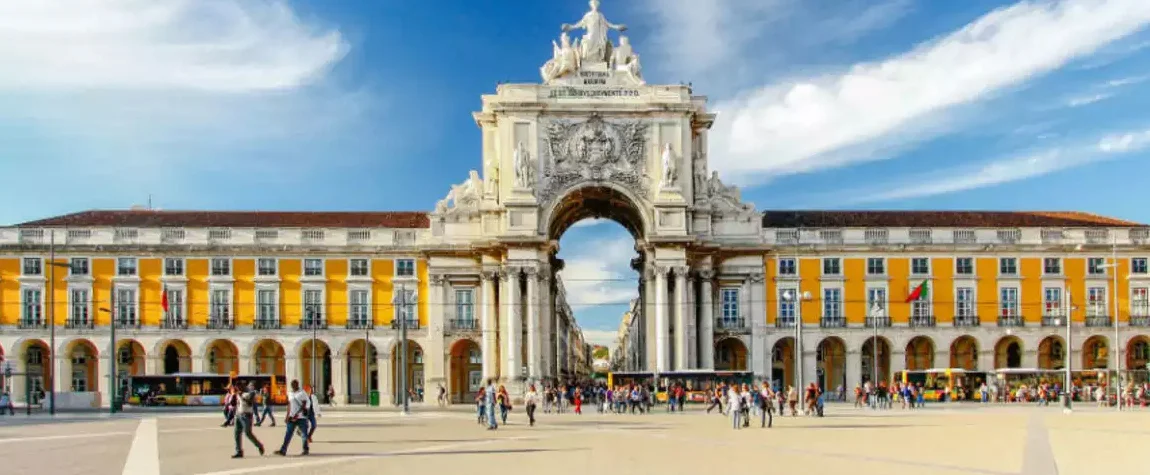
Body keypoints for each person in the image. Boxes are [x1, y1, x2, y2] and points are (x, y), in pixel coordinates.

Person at [275, 380, 310, 456]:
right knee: (288, 434)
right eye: (292, 384)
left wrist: (297, 414)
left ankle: (305, 449)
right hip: (291, 417)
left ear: (297, 385)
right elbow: (289, 405)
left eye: (295, 384)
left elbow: (304, 405)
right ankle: (283, 450)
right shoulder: (290, 393)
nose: (293, 386)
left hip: (301, 417)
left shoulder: (302, 393)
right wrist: (287, 416)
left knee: (304, 434)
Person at [233, 382, 265, 458]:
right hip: (239, 415)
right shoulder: (238, 393)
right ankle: (239, 451)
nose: (238, 389)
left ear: (243, 386)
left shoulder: (250, 393)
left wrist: (242, 396)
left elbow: (250, 403)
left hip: (246, 416)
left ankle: (259, 445)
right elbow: (238, 403)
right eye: (237, 388)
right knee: (237, 433)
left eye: (239, 387)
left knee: (248, 433)